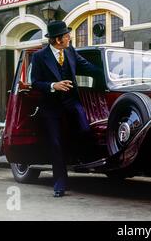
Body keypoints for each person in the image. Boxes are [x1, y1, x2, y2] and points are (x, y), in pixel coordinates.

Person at [31, 21, 100, 197]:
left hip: (71, 102)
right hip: (51, 106)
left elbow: (88, 67)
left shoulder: (70, 51)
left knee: (85, 129)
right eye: (67, 35)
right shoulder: (39, 57)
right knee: (55, 144)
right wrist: (54, 85)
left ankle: (80, 160)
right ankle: (60, 183)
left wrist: (109, 72)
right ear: (57, 39)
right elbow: (35, 83)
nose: (70, 37)